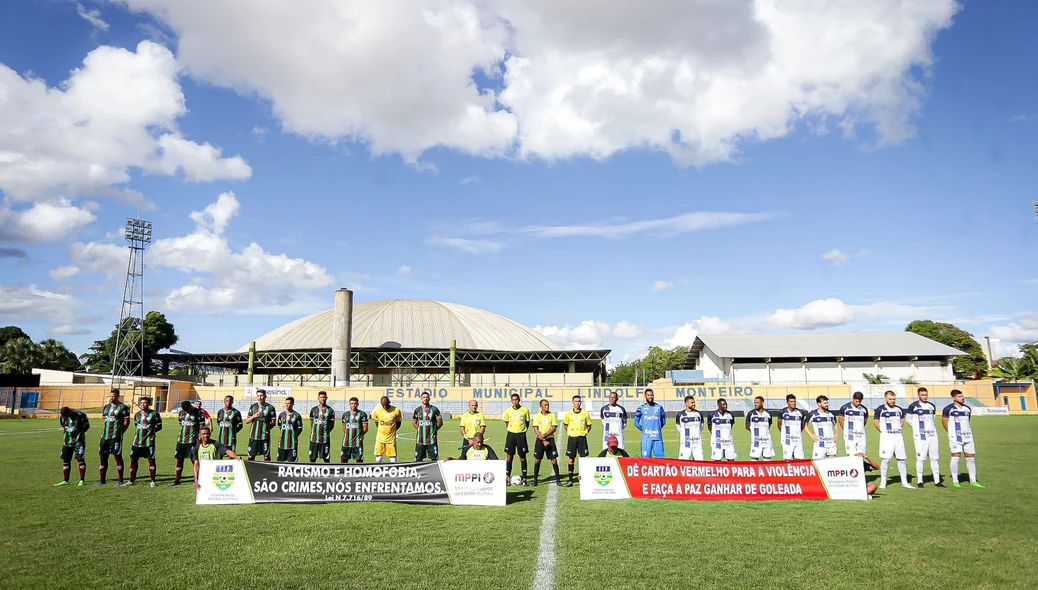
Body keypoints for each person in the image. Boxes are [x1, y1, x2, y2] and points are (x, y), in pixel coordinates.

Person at [942, 389, 983, 488]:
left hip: (968, 437)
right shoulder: (948, 409)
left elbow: (967, 421)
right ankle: (956, 481)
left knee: (970, 457)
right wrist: (952, 433)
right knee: (956, 456)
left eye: (962, 396)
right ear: (953, 398)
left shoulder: (967, 409)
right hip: (955, 438)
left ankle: (973, 481)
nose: (962, 398)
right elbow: (944, 422)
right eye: (960, 396)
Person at [873, 390, 913, 490]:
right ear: (885, 398)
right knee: (886, 459)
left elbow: (902, 420)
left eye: (894, 399)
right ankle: (883, 482)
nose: (892, 401)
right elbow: (876, 422)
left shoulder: (898, 409)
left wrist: (898, 428)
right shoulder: (880, 409)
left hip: (898, 436)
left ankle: (904, 482)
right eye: (890, 399)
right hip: (887, 437)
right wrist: (884, 431)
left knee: (901, 459)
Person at [906, 387, 943, 488]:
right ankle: (920, 481)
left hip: (932, 435)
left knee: (935, 458)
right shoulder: (913, 406)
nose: (925, 397)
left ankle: (937, 481)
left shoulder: (931, 406)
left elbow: (933, 419)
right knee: (921, 458)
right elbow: (908, 419)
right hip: (920, 436)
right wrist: (917, 428)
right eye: (922, 395)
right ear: (918, 395)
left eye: (926, 395)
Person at [122, 397, 162, 487]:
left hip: (149, 442)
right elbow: (137, 426)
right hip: (137, 442)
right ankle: (131, 480)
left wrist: (151, 432)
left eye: (145, 403)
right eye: (141, 403)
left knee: (151, 460)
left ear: (149, 404)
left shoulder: (154, 414)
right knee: (133, 460)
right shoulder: (137, 415)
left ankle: (152, 481)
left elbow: (159, 426)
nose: (142, 405)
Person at [96, 389, 130, 486]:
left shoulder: (123, 407)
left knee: (117, 457)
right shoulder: (106, 407)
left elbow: (126, 422)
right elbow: (104, 418)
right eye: (110, 396)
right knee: (103, 457)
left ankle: (120, 480)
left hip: (115, 437)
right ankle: (102, 480)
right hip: (104, 437)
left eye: (114, 396)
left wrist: (121, 432)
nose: (112, 398)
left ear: (118, 396)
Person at [170, 400, 203, 486]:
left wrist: (199, 438)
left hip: (193, 441)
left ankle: (197, 479)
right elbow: (180, 424)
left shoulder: (198, 412)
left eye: (188, 410)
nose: (187, 412)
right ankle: (177, 479)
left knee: (194, 460)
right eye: (185, 410)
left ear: (190, 406)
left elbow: (202, 427)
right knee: (179, 459)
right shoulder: (181, 413)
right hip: (181, 440)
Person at [563, 395, 593, 487]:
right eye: (576, 401)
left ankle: (583, 478)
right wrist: (571, 432)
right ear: (572, 402)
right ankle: (570, 479)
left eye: (579, 401)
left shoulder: (585, 413)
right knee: (571, 459)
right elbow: (565, 425)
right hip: (572, 438)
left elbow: (589, 426)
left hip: (582, 438)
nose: (578, 403)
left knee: (583, 459)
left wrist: (584, 433)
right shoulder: (568, 414)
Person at [55, 406, 90, 487]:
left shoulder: (81, 415)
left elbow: (87, 426)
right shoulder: (62, 418)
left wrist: (80, 433)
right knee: (66, 460)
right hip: (67, 441)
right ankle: (66, 480)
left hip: (79, 441)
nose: (67, 417)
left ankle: (81, 480)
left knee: (80, 459)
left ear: (70, 412)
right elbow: (63, 427)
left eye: (68, 415)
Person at [532, 399, 562, 486]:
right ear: (540, 406)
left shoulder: (552, 415)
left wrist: (544, 435)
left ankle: (558, 480)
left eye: (547, 405)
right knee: (537, 460)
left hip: (550, 440)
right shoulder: (537, 416)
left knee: (554, 460)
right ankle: (535, 480)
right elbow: (535, 428)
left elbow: (554, 428)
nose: (547, 406)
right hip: (540, 441)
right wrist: (542, 439)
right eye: (545, 405)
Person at [502, 393, 530, 485]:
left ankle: (525, 478)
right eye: (513, 400)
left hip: (521, 435)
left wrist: (522, 431)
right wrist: (511, 430)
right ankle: (507, 477)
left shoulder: (525, 410)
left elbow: (527, 422)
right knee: (509, 457)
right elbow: (506, 423)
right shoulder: (507, 411)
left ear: (519, 400)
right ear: (511, 401)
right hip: (511, 435)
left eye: (516, 400)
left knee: (522, 457)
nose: (515, 401)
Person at [244, 389, 277, 461]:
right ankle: (250, 470)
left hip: (265, 437)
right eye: (258, 396)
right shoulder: (253, 407)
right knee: (251, 456)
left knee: (266, 456)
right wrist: (253, 416)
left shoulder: (270, 408)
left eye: (261, 396)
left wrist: (266, 429)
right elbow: (247, 421)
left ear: (265, 396)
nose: (259, 397)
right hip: (253, 436)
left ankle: (267, 471)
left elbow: (274, 423)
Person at [634, 389, 666, 458]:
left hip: (657, 437)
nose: (650, 397)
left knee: (660, 459)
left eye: (651, 395)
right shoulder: (641, 408)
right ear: (645, 396)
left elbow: (663, 421)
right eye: (648, 395)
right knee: (646, 459)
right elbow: (636, 422)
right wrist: (644, 430)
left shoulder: (659, 407)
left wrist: (657, 428)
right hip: (646, 438)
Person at [413, 391, 443, 461]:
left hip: (432, 440)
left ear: (429, 399)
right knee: (418, 459)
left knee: (434, 460)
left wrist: (434, 430)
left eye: (427, 397)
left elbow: (440, 423)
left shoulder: (434, 410)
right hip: (420, 440)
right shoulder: (417, 410)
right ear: (421, 399)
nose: (425, 399)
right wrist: (419, 430)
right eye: (424, 397)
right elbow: (414, 422)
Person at [806, 395, 839, 459]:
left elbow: (835, 424)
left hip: (831, 442)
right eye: (825, 403)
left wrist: (836, 433)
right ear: (819, 404)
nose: (827, 404)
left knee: (832, 463)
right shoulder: (813, 414)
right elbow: (805, 425)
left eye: (827, 403)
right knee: (817, 463)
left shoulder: (830, 414)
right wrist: (811, 435)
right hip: (819, 443)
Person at [371, 396, 402, 463]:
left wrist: (392, 430)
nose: (385, 407)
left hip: (391, 440)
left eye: (386, 405)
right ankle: (378, 472)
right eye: (383, 405)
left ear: (389, 402)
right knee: (378, 458)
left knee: (393, 458)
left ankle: (393, 472)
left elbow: (399, 423)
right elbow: (376, 422)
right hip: (379, 439)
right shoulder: (377, 411)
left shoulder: (396, 410)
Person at [308, 391, 336, 463]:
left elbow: (332, 425)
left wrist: (326, 432)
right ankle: (311, 473)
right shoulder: (313, 410)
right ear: (318, 398)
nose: (322, 399)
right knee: (312, 458)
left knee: (326, 459)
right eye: (321, 397)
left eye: (324, 397)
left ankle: (327, 473)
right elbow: (311, 422)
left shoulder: (330, 410)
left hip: (325, 439)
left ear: (326, 398)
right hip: (314, 439)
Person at [838, 392, 869, 457]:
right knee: (851, 455)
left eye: (859, 401)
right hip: (850, 436)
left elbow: (865, 421)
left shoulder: (864, 409)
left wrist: (859, 429)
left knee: (861, 455)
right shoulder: (845, 408)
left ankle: (860, 467)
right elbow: (841, 420)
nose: (858, 403)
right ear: (853, 398)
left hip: (861, 436)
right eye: (856, 401)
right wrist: (846, 430)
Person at [745, 396, 775, 461]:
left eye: (757, 402)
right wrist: (754, 432)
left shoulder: (768, 413)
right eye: (755, 402)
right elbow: (747, 426)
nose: (755, 404)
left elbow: (769, 425)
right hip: (756, 440)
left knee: (767, 459)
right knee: (754, 459)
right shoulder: (751, 413)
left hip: (767, 440)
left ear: (762, 403)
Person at [777, 394, 806, 460]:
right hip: (787, 440)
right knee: (787, 459)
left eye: (794, 401)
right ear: (787, 402)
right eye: (791, 402)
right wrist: (785, 434)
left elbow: (802, 426)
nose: (793, 403)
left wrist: (797, 433)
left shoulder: (800, 412)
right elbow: (779, 425)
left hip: (798, 439)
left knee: (799, 459)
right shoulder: (782, 412)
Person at [341, 397, 369, 463]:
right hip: (346, 442)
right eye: (352, 403)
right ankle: (343, 473)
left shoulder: (362, 414)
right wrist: (348, 435)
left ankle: (360, 473)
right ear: (349, 404)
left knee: (359, 461)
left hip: (357, 443)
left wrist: (359, 435)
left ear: (358, 404)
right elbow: (344, 428)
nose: (353, 405)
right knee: (343, 461)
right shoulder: (345, 415)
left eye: (355, 403)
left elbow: (366, 428)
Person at [276, 397, 304, 462]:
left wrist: (294, 436)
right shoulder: (281, 415)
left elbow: (300, 429)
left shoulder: (297, 415)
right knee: (280, 463)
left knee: (292, 463)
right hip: (282, 444)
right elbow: (280, 427)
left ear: (292, 404)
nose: (286, 405)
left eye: (288, 403)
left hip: (292, 444)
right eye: (286, 403)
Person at [676, 395, 704, 460]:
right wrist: (684, 434)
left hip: (697, 442)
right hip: (685, 443)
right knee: (684, 462)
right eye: (692, 403)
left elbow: (701, 426)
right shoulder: (680, 415)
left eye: (694, 402)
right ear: (686, 403)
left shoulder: (698, 414)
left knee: (699, 461)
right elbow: (678, 427)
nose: (694, 404)